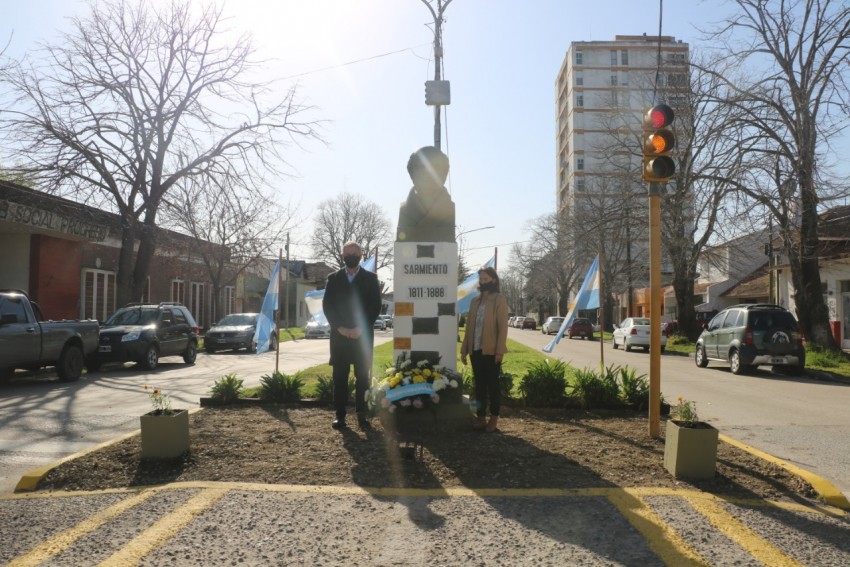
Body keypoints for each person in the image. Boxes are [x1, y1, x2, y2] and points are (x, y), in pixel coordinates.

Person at [322, 241, 383, 430]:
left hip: (362, 337)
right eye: (347, 253)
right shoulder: (333, 278)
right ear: (342, 255)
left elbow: (375, 306)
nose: (351, 256)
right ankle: (340, 416)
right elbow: (328, 306)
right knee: (339, 377)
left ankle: (361, 415)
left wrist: (360, 328)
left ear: (361, 255)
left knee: (362, 378)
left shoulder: (371, 279)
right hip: (339, 337)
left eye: (354, 253)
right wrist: (340, 328)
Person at [460, 267, 509, 432]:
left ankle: (493, 419)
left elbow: (503, 328)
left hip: (492, 351)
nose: (482, 282)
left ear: (493, 280)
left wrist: (500, 351)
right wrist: (464, 349)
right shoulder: (475, 301)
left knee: (493, 386)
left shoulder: (499, 300)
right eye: (480, 279)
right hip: (475, 350)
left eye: (485, 279)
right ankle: (481, 418)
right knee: (479, 385)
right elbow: (468, 328)